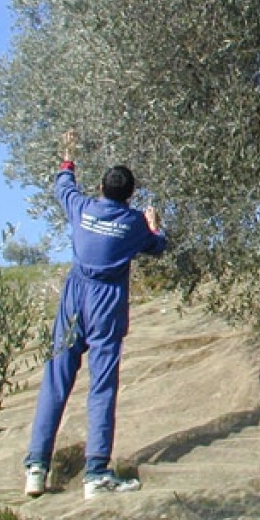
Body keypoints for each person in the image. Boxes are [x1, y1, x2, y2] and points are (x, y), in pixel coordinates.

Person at [24, 130, 168, 499]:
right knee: (101, 385)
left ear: (101, 188)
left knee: (57, 379)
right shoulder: (133, 223)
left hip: (75, 294)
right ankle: (96, 474)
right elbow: (158, 246)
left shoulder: (82, 207)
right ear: (130, 195)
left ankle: (36, 468)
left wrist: (69, 155)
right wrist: (154, 224)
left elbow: (63, 184)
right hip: (106, 302)